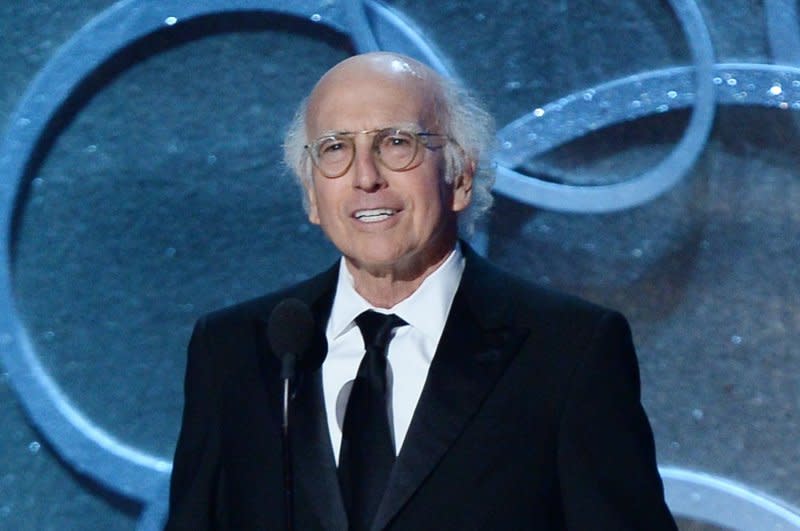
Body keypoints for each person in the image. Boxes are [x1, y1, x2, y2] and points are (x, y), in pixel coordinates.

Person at [166, 52, 677, 530]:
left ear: (459, 176)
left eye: (396, 143)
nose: (365, 177)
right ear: (312, 196)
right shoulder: (233, 351)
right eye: (336, 148)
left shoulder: (568, 350)